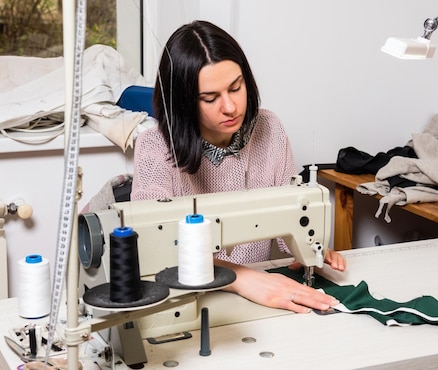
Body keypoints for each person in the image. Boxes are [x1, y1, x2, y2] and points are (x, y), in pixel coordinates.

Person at [131, 20, 346, 314]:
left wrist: (311, 247)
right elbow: (155, 251)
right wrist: (239, 277)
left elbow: (290, 223)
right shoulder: (155, 147)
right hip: (187, 299)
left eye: (236, 87)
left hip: (250, 298)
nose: (230, 107)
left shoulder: (269, 128)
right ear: (183, 102)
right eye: (210, 98)